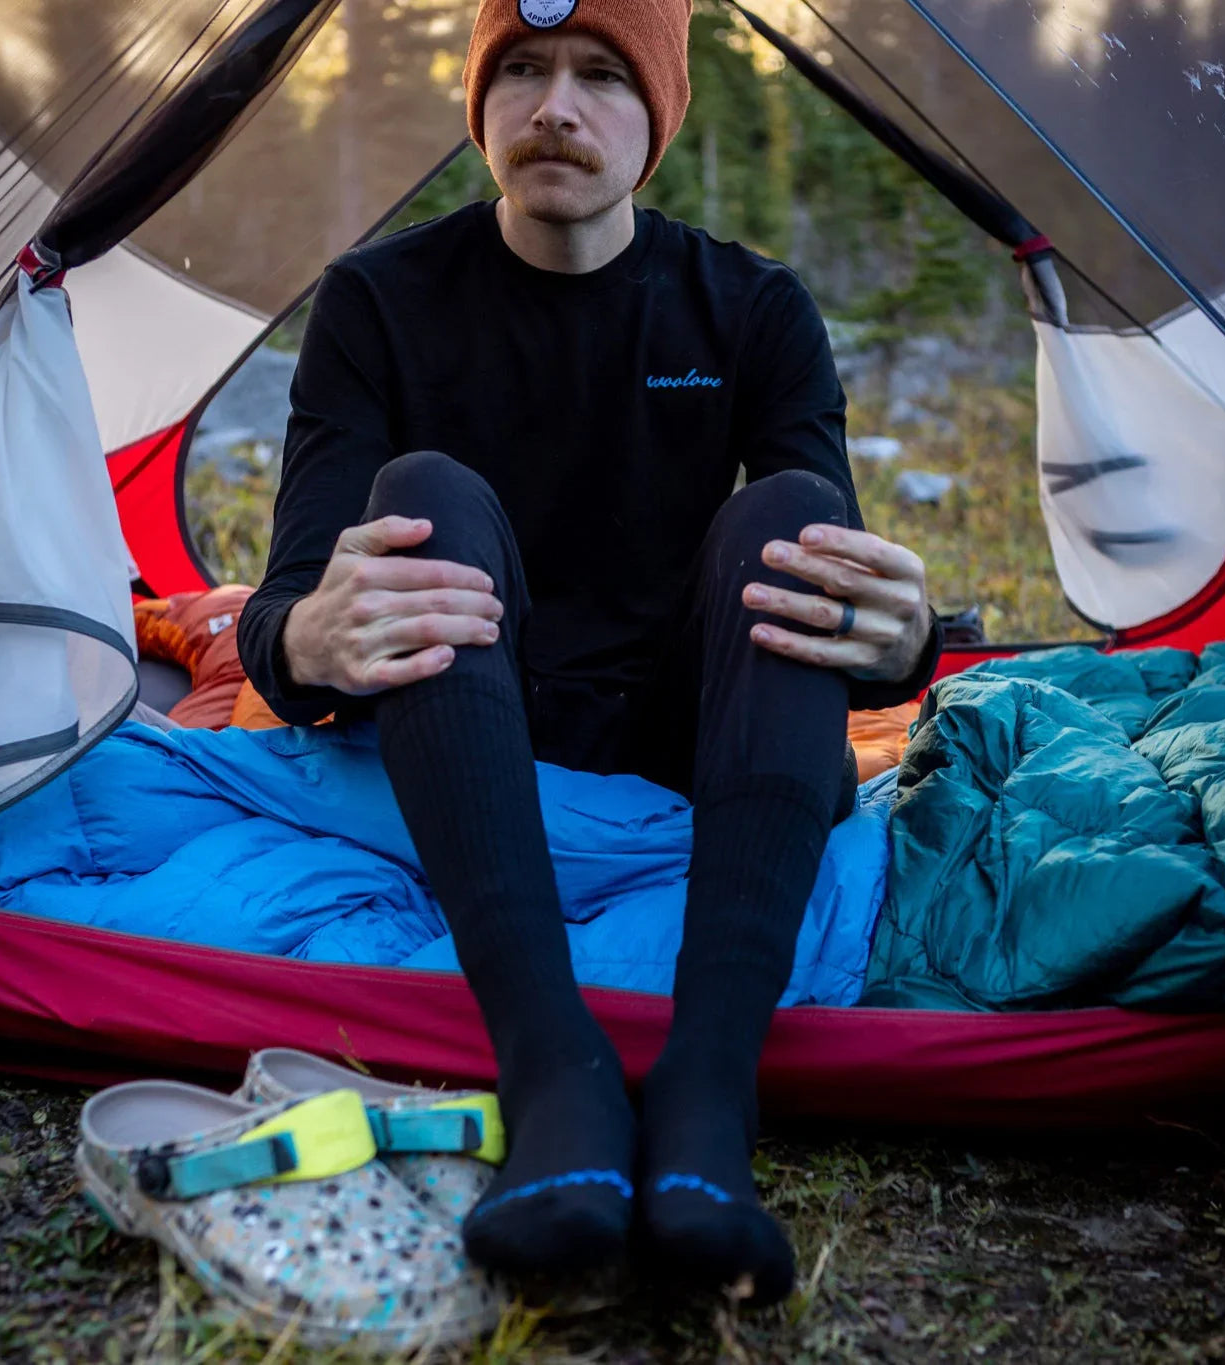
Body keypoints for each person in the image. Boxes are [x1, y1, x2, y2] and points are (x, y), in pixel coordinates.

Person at [237, 0, 939, 1304]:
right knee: (424, 492)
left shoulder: (750, 308)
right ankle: (551, 1068)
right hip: (471, 717)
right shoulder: (378, 302)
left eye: (602, 74)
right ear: (483, 102)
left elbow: (838, 605)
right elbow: (285, 617)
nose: (556, 104)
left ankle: (706, 1096)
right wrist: (305, 635)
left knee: (795, 520)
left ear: (658, 117)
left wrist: (897, 645)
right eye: (525, 70)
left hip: (676, 725)